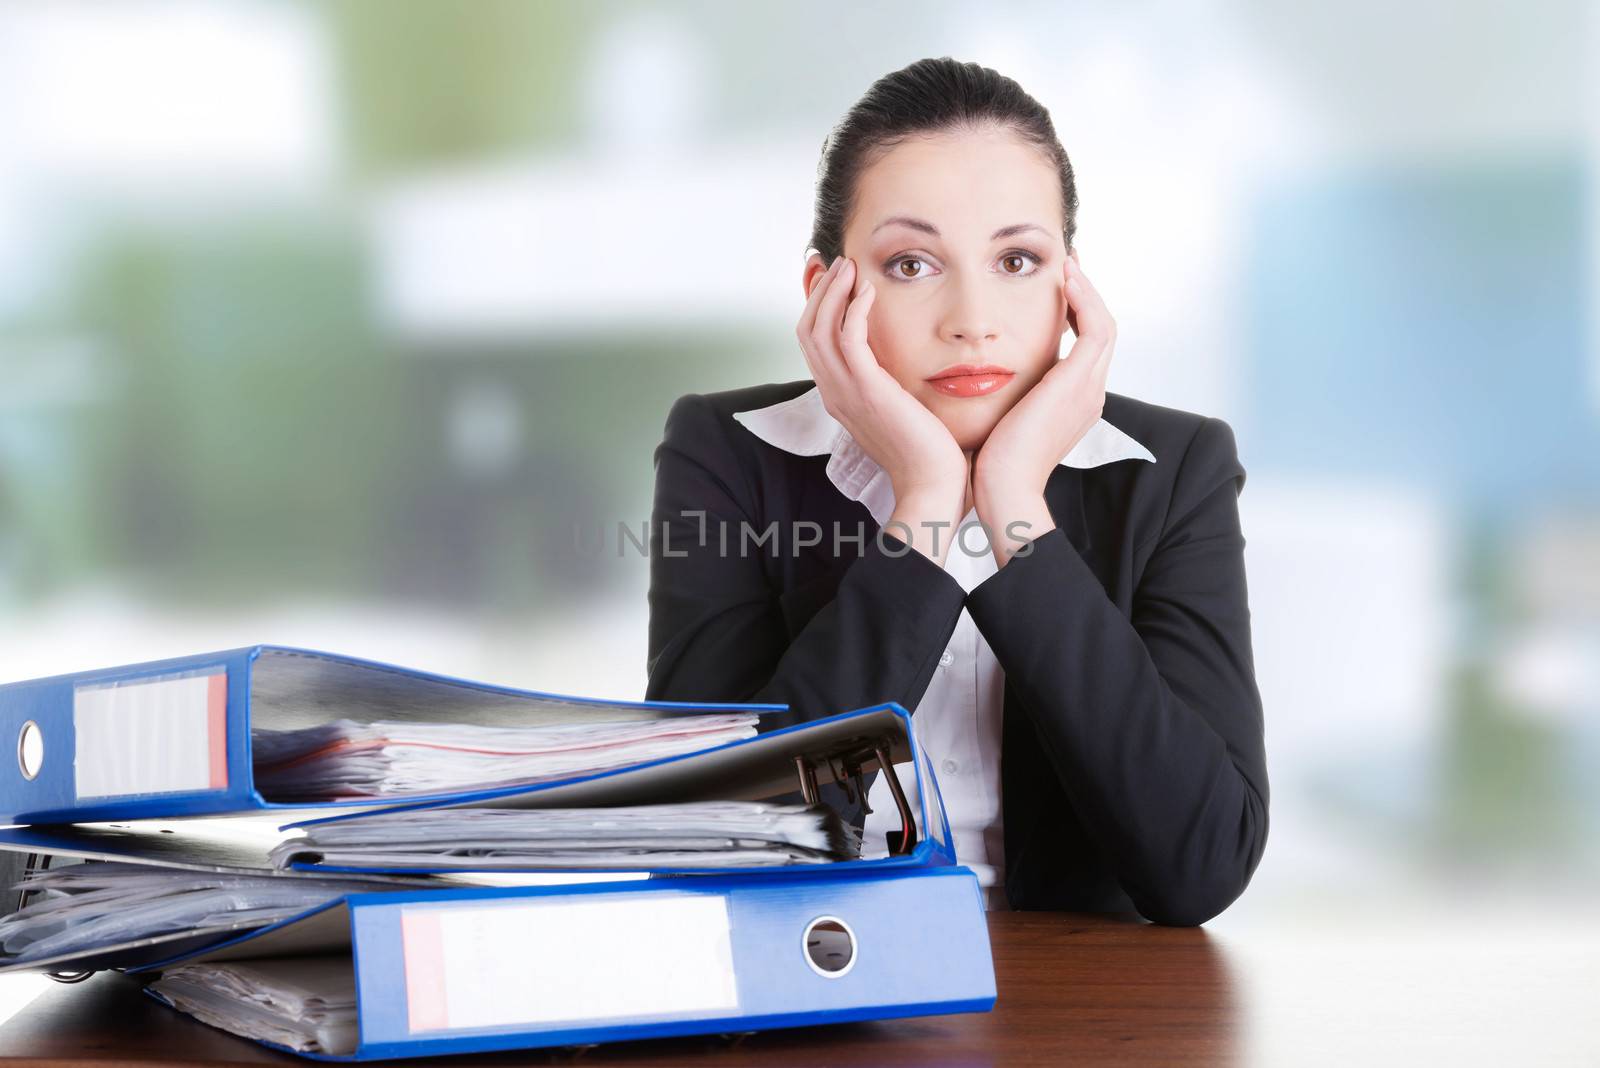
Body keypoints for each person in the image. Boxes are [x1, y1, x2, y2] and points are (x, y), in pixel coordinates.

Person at [644, 57, 1267, 926]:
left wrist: (1015, 508)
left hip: (1089, 1013)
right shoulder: (726, 452)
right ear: (828, 293)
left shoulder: (1176, 467)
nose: (973, 318)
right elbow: (715, 844)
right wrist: (926, 504)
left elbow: (1201, 867)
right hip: (818, 970)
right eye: (911, 264)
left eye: (1017, 258)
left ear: (1070, 288)